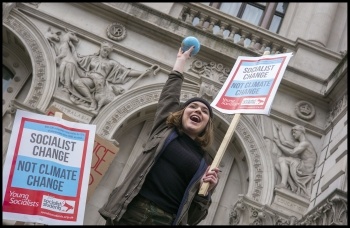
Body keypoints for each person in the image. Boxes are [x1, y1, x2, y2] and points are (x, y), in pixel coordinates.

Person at [98, 46, 220, 225]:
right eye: (192, 107)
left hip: (165, 221)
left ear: (206, 125)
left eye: (204, 111)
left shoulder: (207, 162)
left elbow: (193, 218)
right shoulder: (165, 129)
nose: (198, 111)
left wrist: (206, 192)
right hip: (130, 210)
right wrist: (181, 61)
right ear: (182, 113)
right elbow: (169, 96)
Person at [68, 41, 152, 110]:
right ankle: (91, 100)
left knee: (78, 82)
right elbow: (78, 59)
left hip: (100, 81)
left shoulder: (111, 63)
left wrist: (144, 72)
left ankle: (92, 102)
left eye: (107, 52)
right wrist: (72, 47)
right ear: (100, 48)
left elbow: (127, 72)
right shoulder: (92, 58)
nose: (105, 52)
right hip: (90, 77)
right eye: (104, 50)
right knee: (76, 82)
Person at [273, 124, 317, 198]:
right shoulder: (300, 144)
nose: (293, 134)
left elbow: (292, 152)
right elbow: (284, 142)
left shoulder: (305, 143)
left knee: (282, 160)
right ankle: (293, 186)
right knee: (277, 165)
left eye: (294, 132)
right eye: (292, 133)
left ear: (301, 131)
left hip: (306, 166)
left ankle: (283, 184)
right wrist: (279, 131)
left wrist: (279, 145)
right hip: (301, 163)